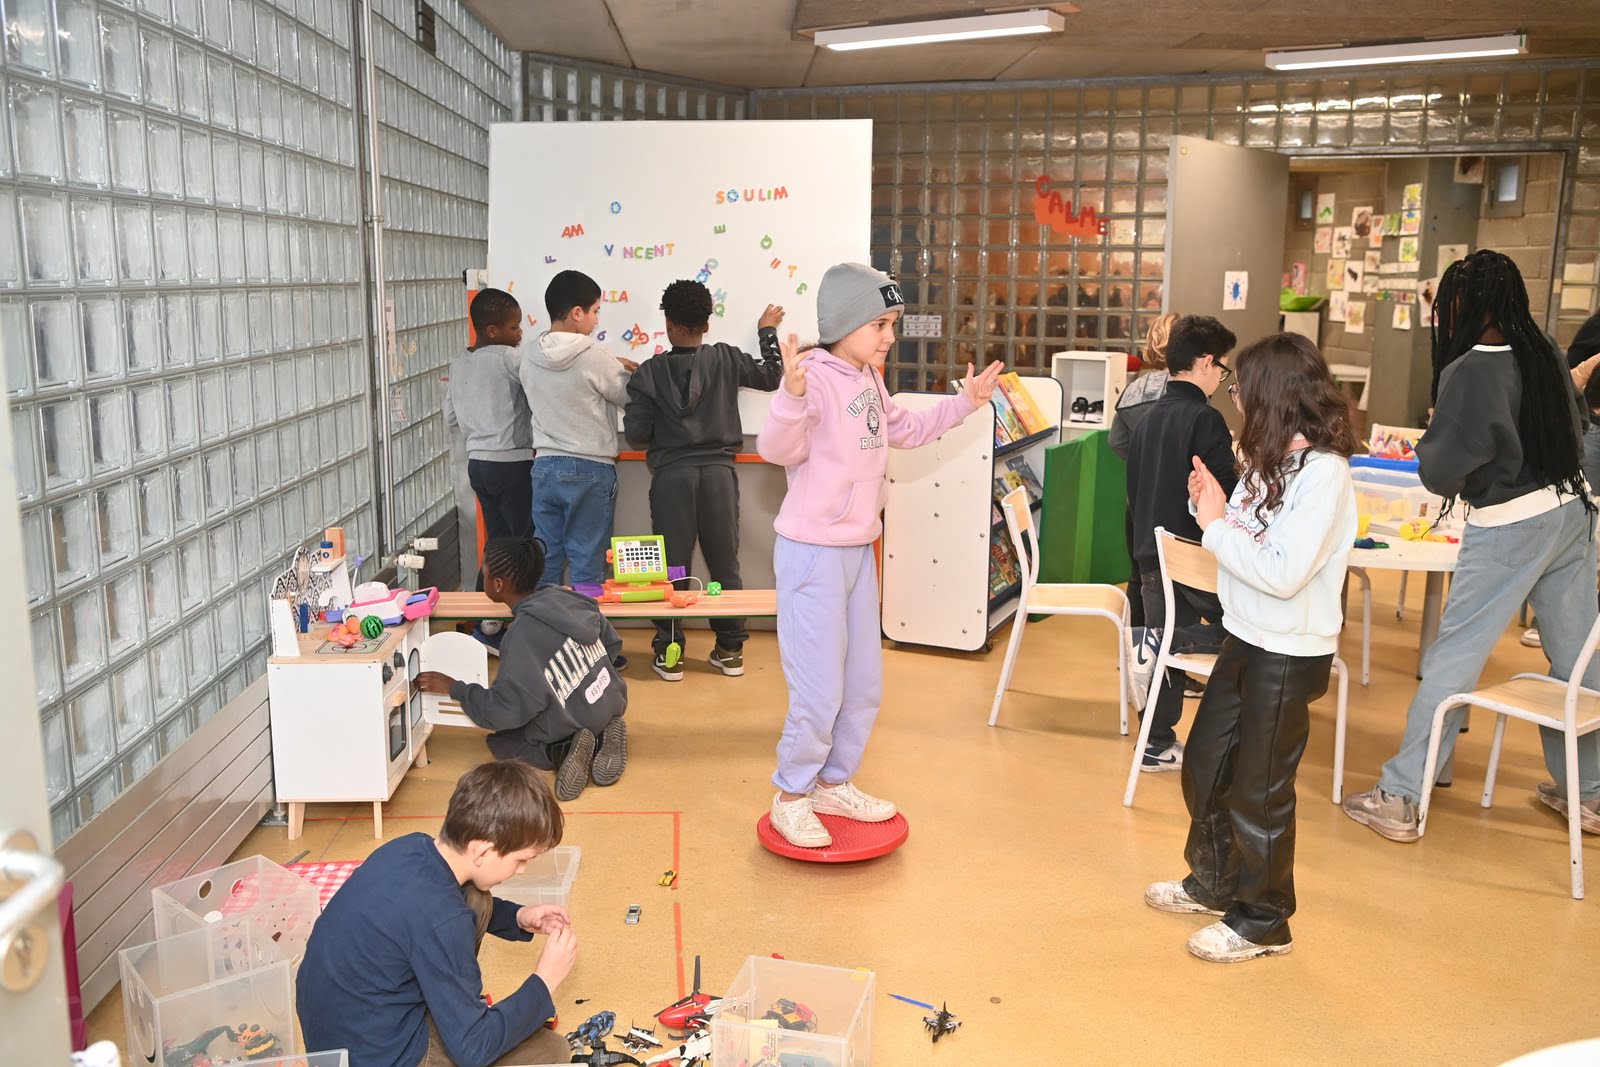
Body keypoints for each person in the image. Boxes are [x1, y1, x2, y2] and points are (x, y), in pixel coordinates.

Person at [1343, 250, 1600, 842]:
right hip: (1572, 512)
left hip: (1511, 525)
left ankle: (1401, 796)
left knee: (1452, 660)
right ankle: (1589, 793)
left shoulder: (1470, 370)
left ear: (1464, 304)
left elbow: (1441, 473)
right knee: (1578, 661)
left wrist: (1438, 432)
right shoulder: (1547, 355)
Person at [756, 263, 1004, 848]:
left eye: (891, 322)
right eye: (879, 323)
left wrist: (966, 403)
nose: (890, 335)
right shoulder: (813, 377)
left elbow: (905, 430)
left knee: (862, 683)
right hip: (812, 553)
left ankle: (832, 783)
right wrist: (789, 397)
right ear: (843, 323)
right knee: (818, 690)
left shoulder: (868, 376)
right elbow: (775, 447)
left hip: (856, 552)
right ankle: (792, 793)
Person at [1144, 332, 1357, 963]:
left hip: (1290, 650)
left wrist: (1214, 526)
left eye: (1242, 389)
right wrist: (1215, 508)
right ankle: (1213, 882)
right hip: (1247, 635)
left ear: (1273, 396)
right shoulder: (1269, 461)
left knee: (1261, 789)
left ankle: (1264, 918)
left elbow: (1282, 571)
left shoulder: (1324, 474)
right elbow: (1244, 537)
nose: (1235, 399)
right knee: (1207, 766)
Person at [297, 761, 579, 1067]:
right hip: (381, 1057)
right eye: (521, 860)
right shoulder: (445, 919)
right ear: (482, 851)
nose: (522, 869)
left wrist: (519, 917)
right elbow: (474, 1050)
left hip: (339, 1030)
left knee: (476, 896)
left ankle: (457, 1009)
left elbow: (441, 911)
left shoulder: (411, 847)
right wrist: (545, 980)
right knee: (552, 1052)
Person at [623, 280, 784, 681]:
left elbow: (638, 435)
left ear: (668, 323)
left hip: (671, 480)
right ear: (707, 324)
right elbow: (773, 376)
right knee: (723, 564)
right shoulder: (726, 359)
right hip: (718, 476)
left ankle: (671, 654)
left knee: (673, 568)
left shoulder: (649, 373)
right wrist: (767, 330)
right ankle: (730, 650)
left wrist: (638, 385)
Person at [416, 537, 626, 802]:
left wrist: (454, 687)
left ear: (498, 584)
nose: (483, 576)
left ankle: (560, 751)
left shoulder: (521, 636)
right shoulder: (567, 596)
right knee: (552, 698)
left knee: (502, 741)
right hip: (610, 699)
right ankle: (603, 731)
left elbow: (502, 711)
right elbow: (612, 645)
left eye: (485, 573)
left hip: (576, 720)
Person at [1124, 315, 1239, 773]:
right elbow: (1222, 490)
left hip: (1150, 555)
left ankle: (1154, 741)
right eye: (1223, 370)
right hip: (1192, 556)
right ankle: (1158, 645)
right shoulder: (1205, 419)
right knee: (1234, 628)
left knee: (1164, 639)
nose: (1221, 379)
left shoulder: (1147, 418)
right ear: (1206, 362)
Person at [522, 270, 637, 587]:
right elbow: (628, 398)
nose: (597, 320)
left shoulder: (528, 355)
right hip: (589, 467)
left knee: (546, 561)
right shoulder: (595, 356)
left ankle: (547, 632)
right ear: (577, 313)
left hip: (543, 467)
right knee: (588, 564)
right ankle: (587, 636)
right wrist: (624, 371)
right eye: (596, 311)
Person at [444, 287, 535, 653]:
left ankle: (488, 625)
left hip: (478, 466)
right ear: (493, 330)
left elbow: (450, 416)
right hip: (513, 463)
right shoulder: (510, 360)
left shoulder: (458, 362)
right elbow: (540, 393)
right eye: (515, 327)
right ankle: (526, 625)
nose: (520, 334)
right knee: (525, 547)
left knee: (496, 545)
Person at [1111, 311, 1180, 632]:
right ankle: (1166, 656)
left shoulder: (1133, 390)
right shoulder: (1184, 391)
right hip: (1174, 504)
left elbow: (1117, 441)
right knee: (1169, 579)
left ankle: (1135, 650)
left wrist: (1141, 462)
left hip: (1135, 502)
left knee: (1138, 574)